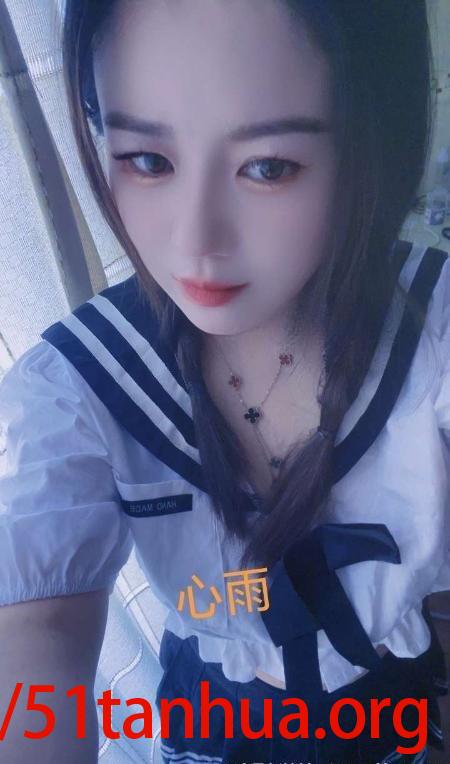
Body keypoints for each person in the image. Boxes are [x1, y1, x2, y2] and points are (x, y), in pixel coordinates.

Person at [0, 0, 448, 762]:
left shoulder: (428, 328)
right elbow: (33, 635)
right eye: (148, 161)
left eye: (267, 167)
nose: (195, 240)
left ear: (369, 142)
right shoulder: (80, 390)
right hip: (214, 724)